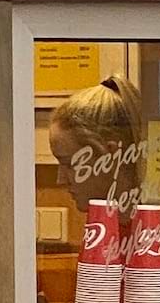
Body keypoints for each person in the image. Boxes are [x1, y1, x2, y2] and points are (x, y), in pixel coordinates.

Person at [47, 74, 147, 226]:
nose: (60, 180)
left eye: (70, 165)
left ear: (112, 156)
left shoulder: (150, 236)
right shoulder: (103, 229)